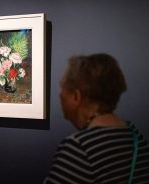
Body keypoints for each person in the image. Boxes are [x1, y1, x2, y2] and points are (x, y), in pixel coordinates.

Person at [43, 53, 149, 183]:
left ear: (76, 97)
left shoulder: (79, 148)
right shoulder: (137, 137)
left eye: (62, 87)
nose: (60, 94)